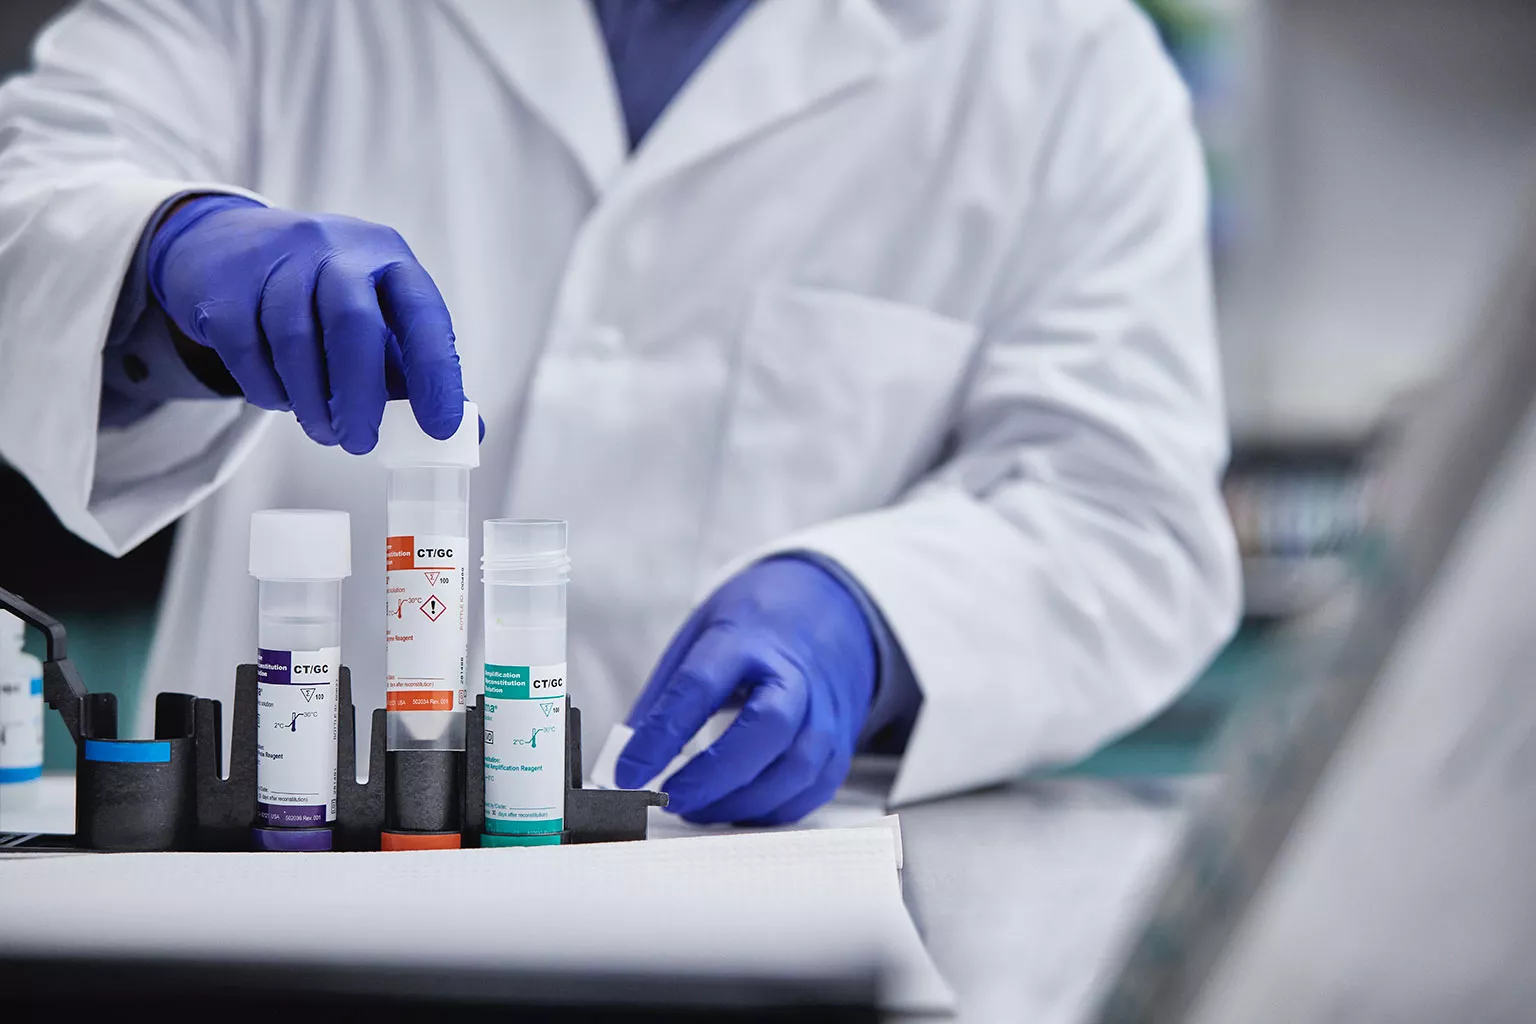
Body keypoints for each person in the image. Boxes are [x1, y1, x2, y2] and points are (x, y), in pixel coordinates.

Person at [0, 0, 1239, 823]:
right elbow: (32, 193)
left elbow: (1129, 520)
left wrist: (869, 618)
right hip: (267, 908)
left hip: (740, 931)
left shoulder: (1062, 61)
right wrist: (165, 256)